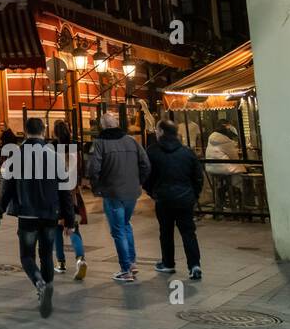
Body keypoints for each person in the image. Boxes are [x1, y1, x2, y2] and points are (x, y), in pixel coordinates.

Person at [0, 118, 75, 318]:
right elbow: (65, 191)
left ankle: (39, 283)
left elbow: (7, 189)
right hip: (50, 214)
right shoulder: (54, 156)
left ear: (25, 132)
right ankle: (47, 289)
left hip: (27, 214)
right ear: (44, 131)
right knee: (46, 254)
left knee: (27, 256)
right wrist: (69, 220)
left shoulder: (16, 156)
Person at [86, 111, 151, 283]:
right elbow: (146, 164)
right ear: (116, 123)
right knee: (126, 225)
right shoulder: (131, 140)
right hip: (131, 192)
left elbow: (93, 169)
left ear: (103, 126)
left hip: (112, 192)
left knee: (118, 230)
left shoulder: (100, 143)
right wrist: (139, 182)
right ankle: (132, 262)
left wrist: (96, 187)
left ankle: (125, 269)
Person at [145, 119, 205, 280]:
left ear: (162, 132)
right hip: (185, 198)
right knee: (188, 232)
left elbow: (146, 175)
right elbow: (198, 176)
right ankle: (194, 265)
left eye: (157, 130)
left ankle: (168, 263)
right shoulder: (187, 152)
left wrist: (152, 192)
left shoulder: (152, 152)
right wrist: (193, 195)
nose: (156, 133)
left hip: (163, 199)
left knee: (165, 232)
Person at [50, 120, 88, 280]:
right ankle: (80, 259)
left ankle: (61, 262)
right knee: (74, 228)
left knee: (56, 229)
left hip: (56, 193)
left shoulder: (51, 149)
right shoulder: (75, 147)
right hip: (73, 192)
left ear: (54, 133)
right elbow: (80, 169)